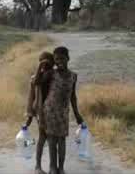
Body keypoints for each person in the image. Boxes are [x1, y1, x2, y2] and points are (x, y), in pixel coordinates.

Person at [35, 46, 84, 174]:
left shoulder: (73, 76)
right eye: (56, 59)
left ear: (68, 58)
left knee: (62, 140)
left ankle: (61, 168)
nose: (59, 62)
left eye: (62, 58)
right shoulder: (51, 73)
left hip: (63, 112)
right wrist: (40, 66)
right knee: (52, 140)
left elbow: (73, 96)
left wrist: (77, 113)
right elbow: (37, 82)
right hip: (49, 110)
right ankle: (52, 168)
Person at [24, 51, 54, 174]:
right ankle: (38, 166)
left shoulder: (54, 76)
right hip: (40, 112)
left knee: (53, 138)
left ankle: (53, 167)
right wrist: (29, 116)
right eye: (42, 62)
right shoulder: (35, 78)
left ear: (53, 63)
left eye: (48, 62)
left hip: (54, 111)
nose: (45, 65)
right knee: (42, 137)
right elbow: (31, 97)